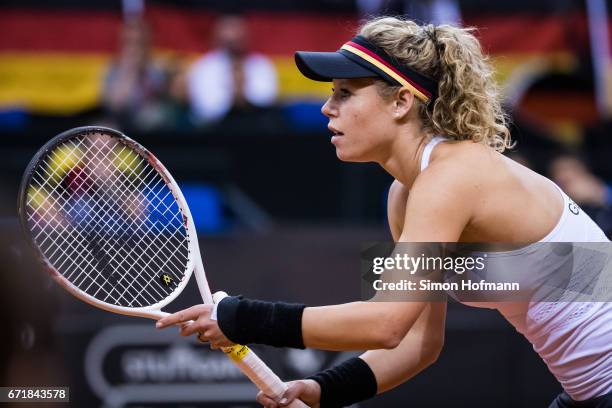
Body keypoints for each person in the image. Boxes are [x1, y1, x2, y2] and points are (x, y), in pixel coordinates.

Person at [156, 17, 612, 408]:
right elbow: (417, 343)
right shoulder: (404, 194)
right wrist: (323, 389)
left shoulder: (452, 175)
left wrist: (241, 317)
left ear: (401, 101)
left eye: (345, 93)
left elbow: (385, 323)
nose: (326, 107)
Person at [187, 14, 278, 124]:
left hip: (256, 126)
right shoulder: (205, 66)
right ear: (217, 35)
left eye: (237, 30)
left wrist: (243, 91)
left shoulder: (261, 64)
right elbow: (205, 108)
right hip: (215, 129)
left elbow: (267, 99)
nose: (233, 36)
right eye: (228, 29)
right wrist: (232, 93)